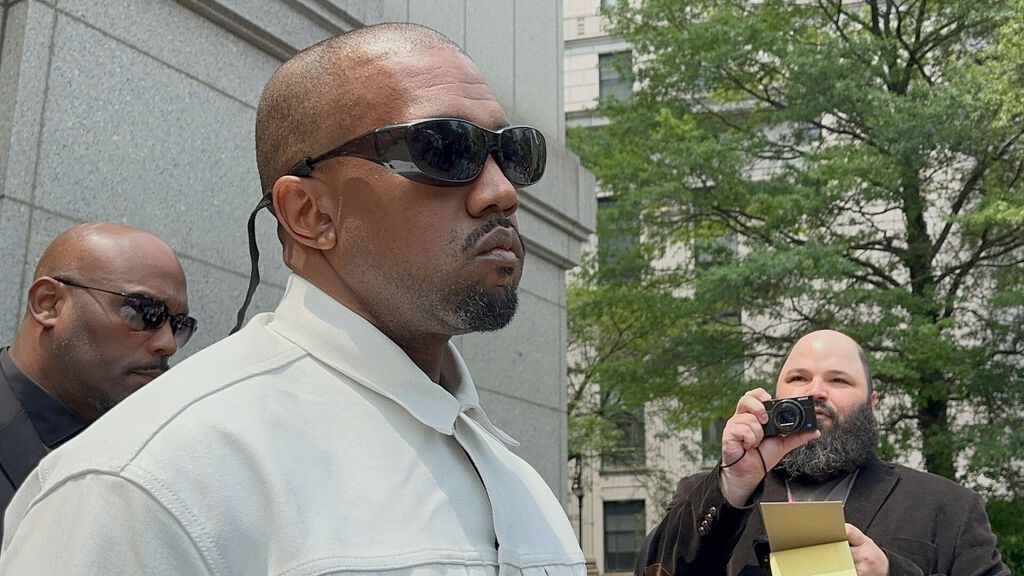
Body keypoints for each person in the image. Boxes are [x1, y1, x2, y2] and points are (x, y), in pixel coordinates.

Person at [0, 23, 585, 576]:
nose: (501, 192)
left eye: (514, 153)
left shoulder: (521, 483)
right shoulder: (146, 483)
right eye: (445, 148)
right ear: (309, 213)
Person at [637, 330, 1009, 576]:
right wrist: (735, 483)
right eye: (798, 378)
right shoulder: (709, 494)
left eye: (838, 379)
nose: (816, 390)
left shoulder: (949, 506)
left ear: (871, 402)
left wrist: (891, 571)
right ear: (776, 395)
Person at [0, 222, 194, 540]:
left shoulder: (160, 466)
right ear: (48, 303)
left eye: (179, 324)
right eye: (144, 311)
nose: (168, 343)